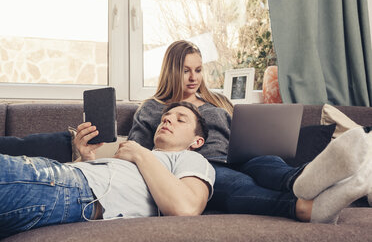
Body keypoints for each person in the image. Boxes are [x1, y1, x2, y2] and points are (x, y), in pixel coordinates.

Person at [75, 39, 370, 224]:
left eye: (199, 70)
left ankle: (302, 180)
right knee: (239, 187)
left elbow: (241, 133)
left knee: (266, 163)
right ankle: (308, 207)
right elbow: (137, 149)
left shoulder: (218, 101)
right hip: (200, 167)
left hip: (239, 156)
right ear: (171, 71)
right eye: (186, 70)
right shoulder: (153, 107)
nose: (194, 77)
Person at [0, 102, 215, 239]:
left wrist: (140, 153)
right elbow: (105, 184)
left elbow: (186, 208)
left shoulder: (192, 159)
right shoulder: (144, 158)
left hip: (72, 189)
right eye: (166, 117)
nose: (167, 119)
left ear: (197, 141)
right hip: (68, 180)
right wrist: (86, 158)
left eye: (180, 119)